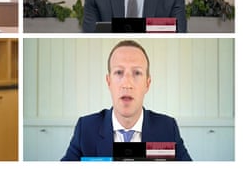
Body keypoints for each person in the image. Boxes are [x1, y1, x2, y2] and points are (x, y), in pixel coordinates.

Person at [61, 40, 192, 161]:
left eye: (137, 73)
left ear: (147, 83)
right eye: (119, 72)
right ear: (109, 81)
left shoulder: (167, 128)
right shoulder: (86, 128)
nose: (127, 83)